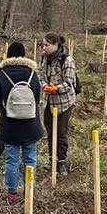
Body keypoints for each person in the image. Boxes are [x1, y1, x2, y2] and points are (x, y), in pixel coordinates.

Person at [0, 41, 42, 204]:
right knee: (30, 158)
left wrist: (7, 109)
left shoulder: (1, 74)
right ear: (23, 54)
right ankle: (29, 189)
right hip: (31, 125)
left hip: (10, 126)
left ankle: (12, 194)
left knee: (11, 159)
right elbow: (37, 98)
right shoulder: (32, 73)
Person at [40, 33, 79, 178]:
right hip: (49, 102)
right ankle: (52, 160)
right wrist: (44, 86)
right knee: (50, 131)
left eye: (46, 45)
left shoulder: (67, 60)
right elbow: (41, 76)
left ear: (56, 45)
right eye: (42, 45)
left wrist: (56, 88)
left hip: (64, 102)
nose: (44, 48)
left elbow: (69, 83)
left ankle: (61, 162)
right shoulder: (44, 59)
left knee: (61, 133)